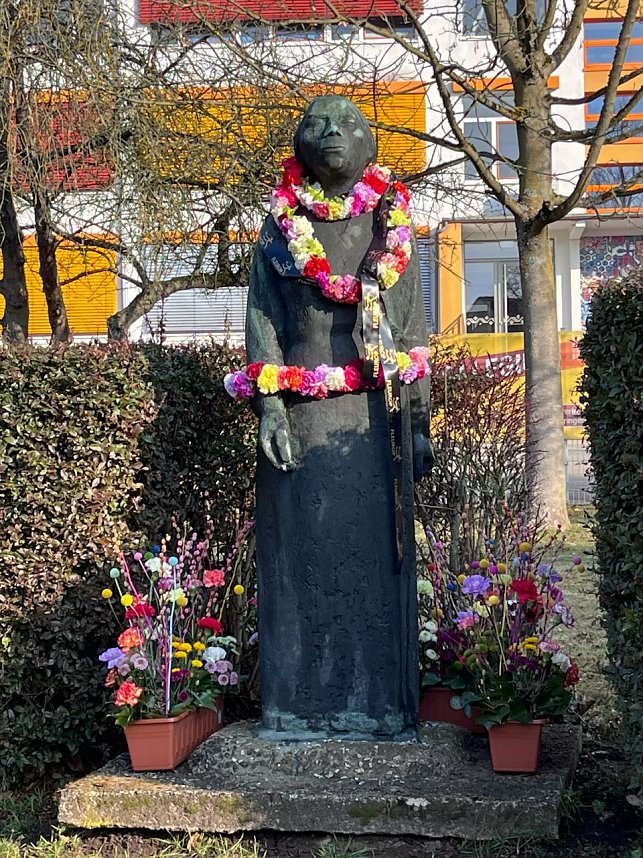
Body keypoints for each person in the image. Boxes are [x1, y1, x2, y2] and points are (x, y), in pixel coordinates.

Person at [243, 95, 432, 738]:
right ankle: (296, 705)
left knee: (377, 563)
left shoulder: (392, 224)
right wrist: (268, 404)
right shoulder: (277, 227)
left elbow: (410, 333)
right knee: (299, 560)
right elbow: (262, 316)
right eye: (317, 122)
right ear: (298, 143)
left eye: (347, 122)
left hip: (375, 423)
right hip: (299, 413)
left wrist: (421, 423)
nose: (331, 133)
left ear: (369, 142)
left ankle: (380, 706)